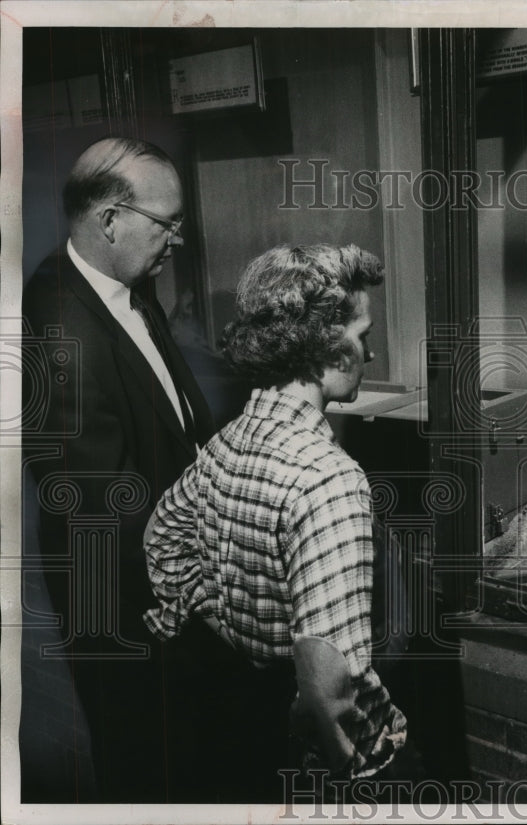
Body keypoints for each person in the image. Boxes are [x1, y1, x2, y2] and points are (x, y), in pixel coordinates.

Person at [142, 243, 408, 794]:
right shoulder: (329, 479)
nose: (372, 354)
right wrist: (377, 756)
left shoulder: (228, 442)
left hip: (239, 717)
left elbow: (162, 538)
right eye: (364, 336)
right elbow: (333, 683)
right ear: (327, 348)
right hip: (310, 763)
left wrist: (217, 617)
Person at [21, 137, 216, 801]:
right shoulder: (59, 321)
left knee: (190, 763)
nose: (178, 241)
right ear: (109, 222)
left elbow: (177, 419)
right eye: (168, 224)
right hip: (127, 607)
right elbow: (100, 498)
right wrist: (217, 561)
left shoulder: (129, 283)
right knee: (153, 775)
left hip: (166, 585)